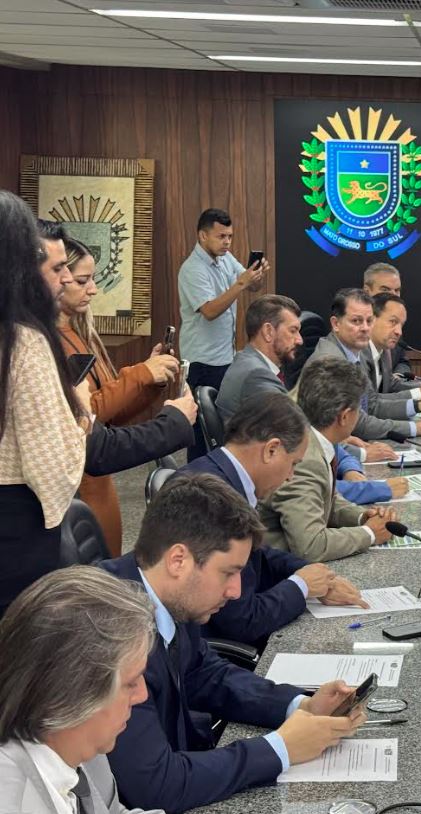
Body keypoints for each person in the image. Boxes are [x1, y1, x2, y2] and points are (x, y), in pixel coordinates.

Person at [102, 474, 364, 812]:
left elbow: (205, 673)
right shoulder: (108, 632)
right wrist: (280, 748)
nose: (236, 591)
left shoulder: (167, 596)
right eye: (228, 573)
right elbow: (155, 785)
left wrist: (300, 706)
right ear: (178, 560)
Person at [178, 392, 369, 648]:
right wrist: (301, 587)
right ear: (271, 450)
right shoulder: (212, 497)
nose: (291, 476)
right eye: (293, 464)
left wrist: (308, 573)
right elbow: (241, 621)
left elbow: (256, 554)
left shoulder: (222, 474)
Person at [0, 566, 161, 814]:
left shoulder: (84, 746)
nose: (142, 695)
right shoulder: (13, 799)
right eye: (131, 682)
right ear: (70, 695)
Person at [57, 237, 180, 554]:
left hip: (99, 487)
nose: (94, 289)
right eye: (83, 281)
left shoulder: (81, 333)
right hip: (80, 488)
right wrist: (140, 374)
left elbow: (110, 416)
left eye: (93, 279)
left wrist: (150, 381)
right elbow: (83, 415)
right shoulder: (47, 342)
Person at [0, 197, 86, 617]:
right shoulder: (23, 342)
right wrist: (81, 420)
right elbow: (52, 475)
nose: (65, 280)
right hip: (18, 539)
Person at [259, 357, 398, 562]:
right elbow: (310, 546)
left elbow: (326, 500)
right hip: (275, 572)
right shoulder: (305, 458)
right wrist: (369, 534)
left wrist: (361, 517)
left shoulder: (314, 437)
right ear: (344, 416)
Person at [297, 288, 421, 440]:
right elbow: (358, 424)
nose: (365, 328)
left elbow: (371, 404)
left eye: (369, 321)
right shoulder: (330, 363)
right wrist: (416, 428)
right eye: (356, 321)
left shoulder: (355, 353)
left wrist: (417, 406)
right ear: (336, 324)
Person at [177, 208, 267, 394]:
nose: (227, 242)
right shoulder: (192, 269)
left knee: (220, 418)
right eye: (221, 236)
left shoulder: (225, 257)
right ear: (203, 236)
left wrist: (256, 276)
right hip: (202, 362)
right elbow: (209, 311)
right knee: (201, 420)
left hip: (226, 356)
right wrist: (242, 282)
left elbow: (252, 287)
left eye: (230, 236)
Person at [215, 294, 302, 423]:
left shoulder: (247, 361)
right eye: (293, 331)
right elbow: (292, 426)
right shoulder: (256, 375)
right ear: (268, 332)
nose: (300, 340)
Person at [362, 261, 412, 380]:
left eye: (397, 290)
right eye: (386, 289)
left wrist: (396, 377)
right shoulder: (356, 334)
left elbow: (402, 361)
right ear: (367, 291)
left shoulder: (394, 322)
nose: (393, 295)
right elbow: (366, 397)